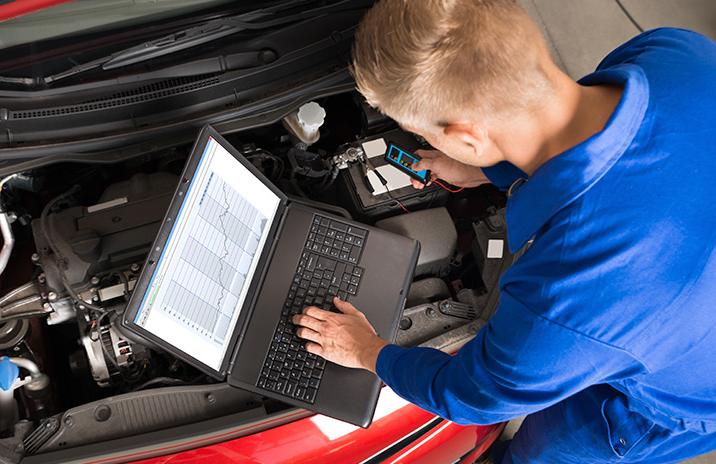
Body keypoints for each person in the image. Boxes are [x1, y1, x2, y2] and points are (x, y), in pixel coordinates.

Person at [292, 0, 716, 463]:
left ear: (469, 135)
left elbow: (470, 396)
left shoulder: (565, 294)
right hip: (677, 303)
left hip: (677, 399)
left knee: (536, 452)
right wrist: (489, 168)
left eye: (425, 134)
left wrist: (368, 350)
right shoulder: (677, 53)